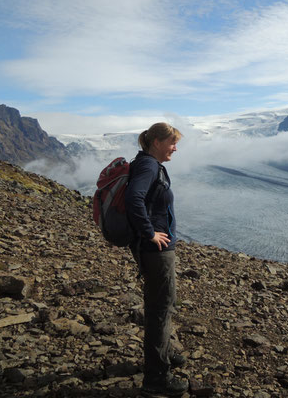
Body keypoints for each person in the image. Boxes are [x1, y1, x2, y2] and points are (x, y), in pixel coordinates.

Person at [124, 122, 188, 396]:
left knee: (162, 304)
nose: (175, 148)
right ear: (157, 142)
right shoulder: (149, 166)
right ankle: (157, 379)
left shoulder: (148, 164)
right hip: (156, 251)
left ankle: (163, 354)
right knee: (160, 309)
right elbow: (133, 199)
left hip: (157, 249)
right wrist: (150, 234)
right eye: (172, 142)